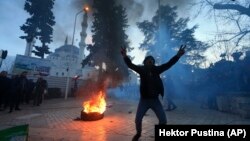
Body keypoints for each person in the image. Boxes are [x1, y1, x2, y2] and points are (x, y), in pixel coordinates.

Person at [121, 45, 185, 141]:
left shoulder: (157, 70)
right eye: (148, 60)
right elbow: (130, 65)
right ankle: (138, 134)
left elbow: (168, 64)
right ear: (145, 62)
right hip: (144, 101)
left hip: (155, 100)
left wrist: (178, 56)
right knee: (137, 120)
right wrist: (125, 56)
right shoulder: (141, 70)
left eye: (152, 60)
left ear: (154, 62)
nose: (151, 61)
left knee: (163, 120)